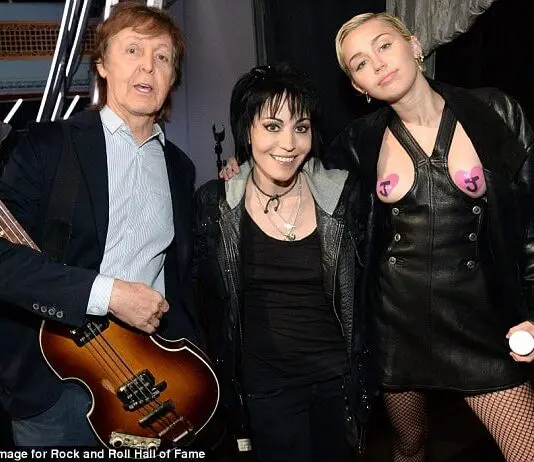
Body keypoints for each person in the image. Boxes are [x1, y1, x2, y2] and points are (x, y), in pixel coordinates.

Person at [328, 12, 534, 462]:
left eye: (384, 45)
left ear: (415, 46)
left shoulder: (493, 110)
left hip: (480, 322)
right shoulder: (357, 142)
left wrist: (531, 311)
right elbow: (308, 191)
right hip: (396, 325)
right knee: (410, 443)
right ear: (359, 86)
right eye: (360, 63)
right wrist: (241, 171)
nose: (377, 64)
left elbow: (530, 219)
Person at [0, 2, 198, 446]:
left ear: (172, 77)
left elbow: (183, 277)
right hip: (56, 388)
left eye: (163, 57)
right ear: (102, 65)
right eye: (133, 50)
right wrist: (110, 295)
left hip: (150, 379)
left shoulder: (180, 168)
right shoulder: (46, 147)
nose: (148, 66)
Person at [194, 63, 374, 462]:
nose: (289, 143)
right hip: (266, 389)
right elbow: (205, 304)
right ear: (247, 131)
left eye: (301, 127)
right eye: (272, 126)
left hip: (338, 383)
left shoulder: (344, 197)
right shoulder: (216, 205)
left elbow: (371, 289)